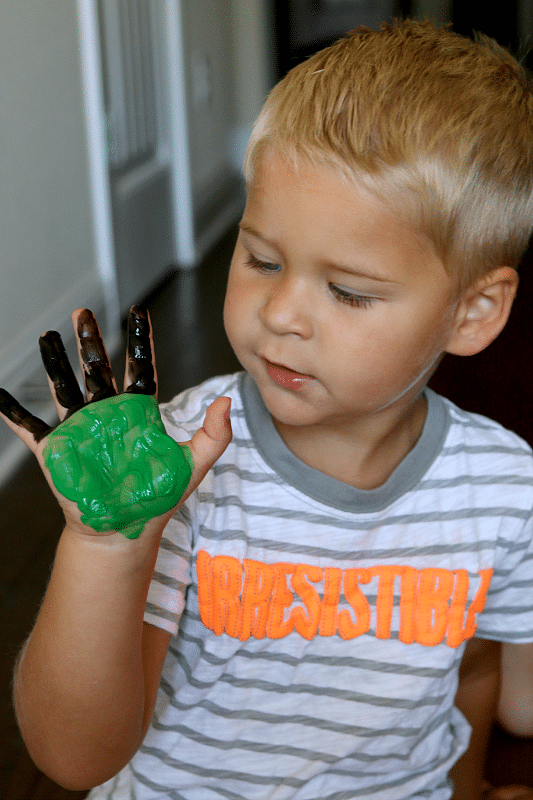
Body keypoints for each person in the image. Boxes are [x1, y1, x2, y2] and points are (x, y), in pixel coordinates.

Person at [1, 17, 533, 800]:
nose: (281, 312)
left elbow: (502, 687)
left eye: (347, 290)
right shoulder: (177, 460)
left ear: (471, 313)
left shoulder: (504, 490)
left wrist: (471, 780)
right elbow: (76, 758)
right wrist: (107, 550)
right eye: (261, 259)